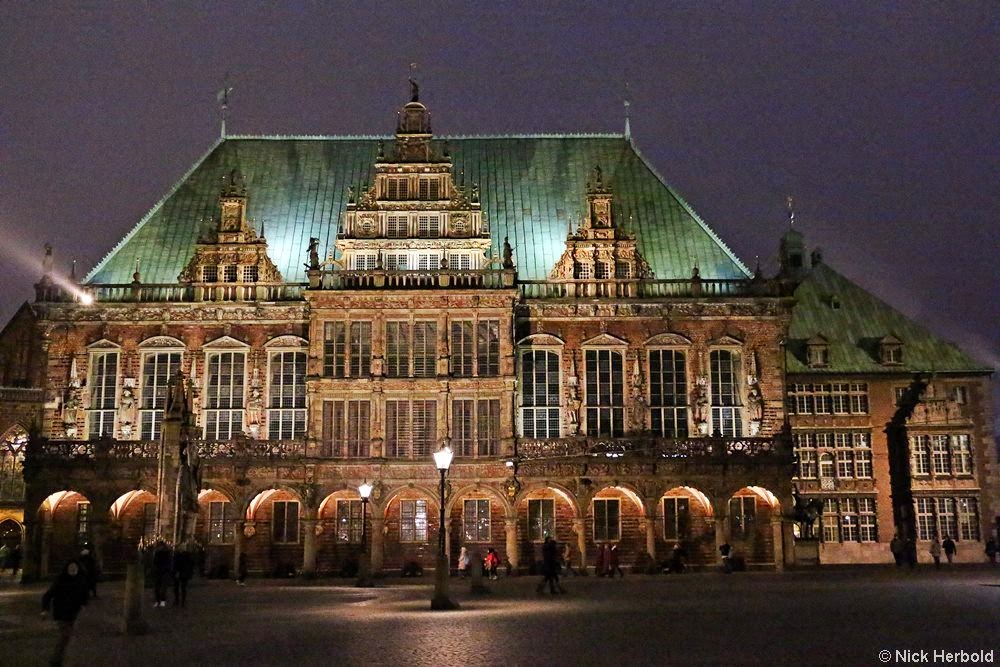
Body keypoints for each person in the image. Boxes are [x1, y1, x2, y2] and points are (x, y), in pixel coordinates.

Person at [41, 560, 89, 667]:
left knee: (66, 636)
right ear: (66, 569)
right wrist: (44, 610)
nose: (73, 570)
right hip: (61, 612)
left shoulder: (81, 580)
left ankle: (61, 658)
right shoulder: (61, 580)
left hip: (73, 613)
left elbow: (84, 593)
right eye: (70, 568)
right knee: (64, 636)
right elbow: (48, 595)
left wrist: (83, 604)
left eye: (74, 568)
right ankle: (55, 660)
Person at [151, 540, 172, 607]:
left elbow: (169, 562)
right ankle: (158, 600)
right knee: (157, 588)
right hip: (159, 571)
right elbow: (154, 562)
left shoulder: (167, 553)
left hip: (164, 572)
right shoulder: (157, 553)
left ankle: (162, 600)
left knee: (163, 588)